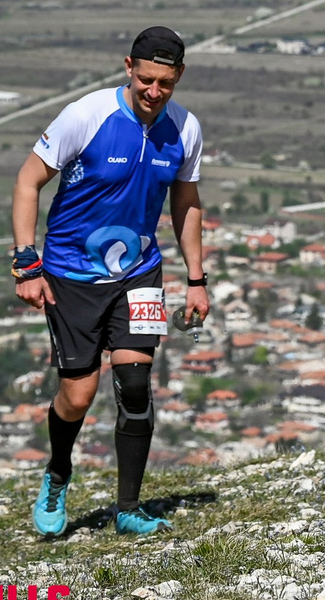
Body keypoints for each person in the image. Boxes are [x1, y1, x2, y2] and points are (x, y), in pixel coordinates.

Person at [11, 26, 210, 536]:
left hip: (138, 272)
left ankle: (128, 507)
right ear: (128, 67)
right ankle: (58, 473)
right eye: (146, 79)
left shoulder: (185, 129)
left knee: (136, 386)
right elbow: (28, 180)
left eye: (165, 83)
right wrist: (26, 262)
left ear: (179, 77)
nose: (154, 92)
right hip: (71, 275)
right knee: (78, 396)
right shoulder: (87, 115)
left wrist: (196, 279)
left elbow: (185, 203)